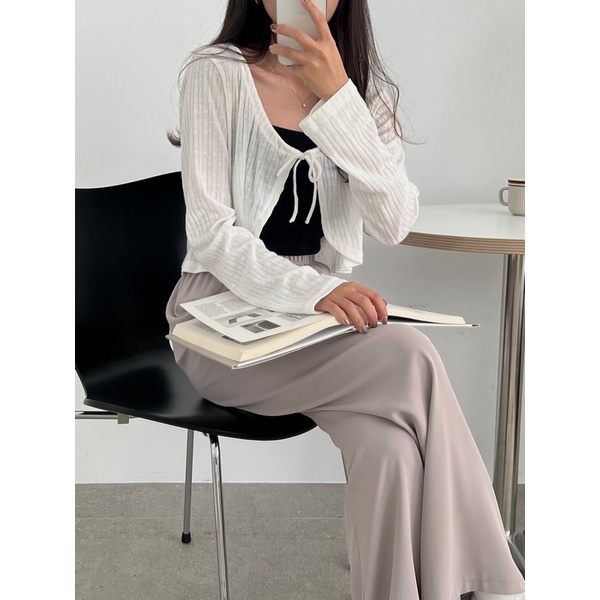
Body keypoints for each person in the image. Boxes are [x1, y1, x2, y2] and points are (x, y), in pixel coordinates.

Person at [166, 1, 526, 599]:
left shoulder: (363, 96)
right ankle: (493, 584)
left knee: (390, 451)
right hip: (220, 320)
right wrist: (317, 290)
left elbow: (394, 220)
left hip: (316, 326)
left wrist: (338, 101)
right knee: (410, 352)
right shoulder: (216, 72)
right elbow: (211, 235)